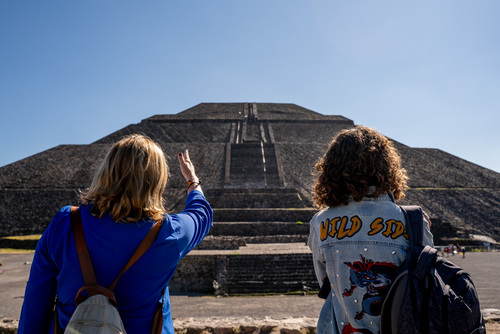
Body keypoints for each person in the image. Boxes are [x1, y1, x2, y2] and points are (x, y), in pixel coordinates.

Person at [18, 134, 213, 334]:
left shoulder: (65, 222)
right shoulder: (170, 233)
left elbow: (36, 302)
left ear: (106, 172)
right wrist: (192, 181)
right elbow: (201, 214)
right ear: (157, 181)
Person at [308, 126, 433, 334]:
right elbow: (427, 280)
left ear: (331, 168)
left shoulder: (320, 222)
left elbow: (326, 284)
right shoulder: (414, 220)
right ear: (386, 166)